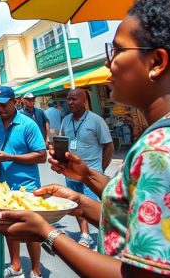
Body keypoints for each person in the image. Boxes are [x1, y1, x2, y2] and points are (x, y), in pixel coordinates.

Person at [0, 0, 170, 278]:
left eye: (118, 51)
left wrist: (47, 233)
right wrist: (82, 192)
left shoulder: (161, 151)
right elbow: (140, 221)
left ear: (157, 62)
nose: (107, 64)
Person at [0, 86, 47, 278]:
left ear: (14, 102)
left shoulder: (28, 124)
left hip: (26, 186)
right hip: (1, 186)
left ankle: (36, 270)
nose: (0, 109)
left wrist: (10, 157)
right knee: (9, 228)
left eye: (4, 105)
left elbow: (41, 156)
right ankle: (16, 265)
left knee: (32, 231)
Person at [57, 88, 114, 248]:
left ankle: (105, 238)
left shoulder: (96, 120)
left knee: (93, 205)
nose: (70, 102)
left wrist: (99, 170)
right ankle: (85, 234)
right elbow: (64, 142)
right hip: (71, 172)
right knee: (76, 204)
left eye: (74, 99)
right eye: (68, 99)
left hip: (92, 170)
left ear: (84, 101)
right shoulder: (66, 120)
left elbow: (108, 146)